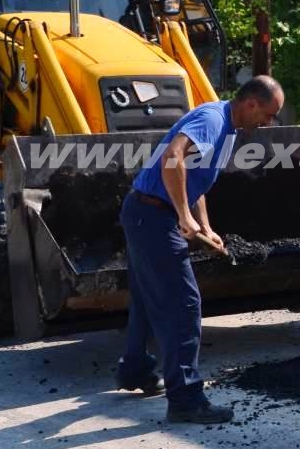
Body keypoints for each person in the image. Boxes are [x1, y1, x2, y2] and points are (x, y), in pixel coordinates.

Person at [116, 76, 285, 424]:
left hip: (146, 214)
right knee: (184, 303)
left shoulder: (231, 131)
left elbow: (196, 178)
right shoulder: (212, 120)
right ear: (251, 103)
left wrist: (204, 225)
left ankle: (135, 371)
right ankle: (186, 399)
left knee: (149, 297)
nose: (268, 123)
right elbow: (172, 157)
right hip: (152, 216)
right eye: (268, 115)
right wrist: (182, 217)